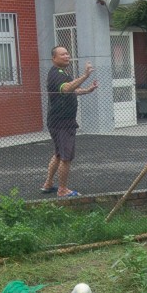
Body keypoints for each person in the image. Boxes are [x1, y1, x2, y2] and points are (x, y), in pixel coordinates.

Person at [41, 46, 98, 197]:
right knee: (66, 157)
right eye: (62, 54)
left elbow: (72, 89)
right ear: (54, 58)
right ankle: (62, 190)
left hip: (57, 121)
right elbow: (67, 89)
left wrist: (87, 90)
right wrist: (85, 76)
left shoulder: (61, 73)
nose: (67, 56)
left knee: (59, 154)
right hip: (62, 123)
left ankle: (48, 184)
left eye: (67, 53)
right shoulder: (57, 75)